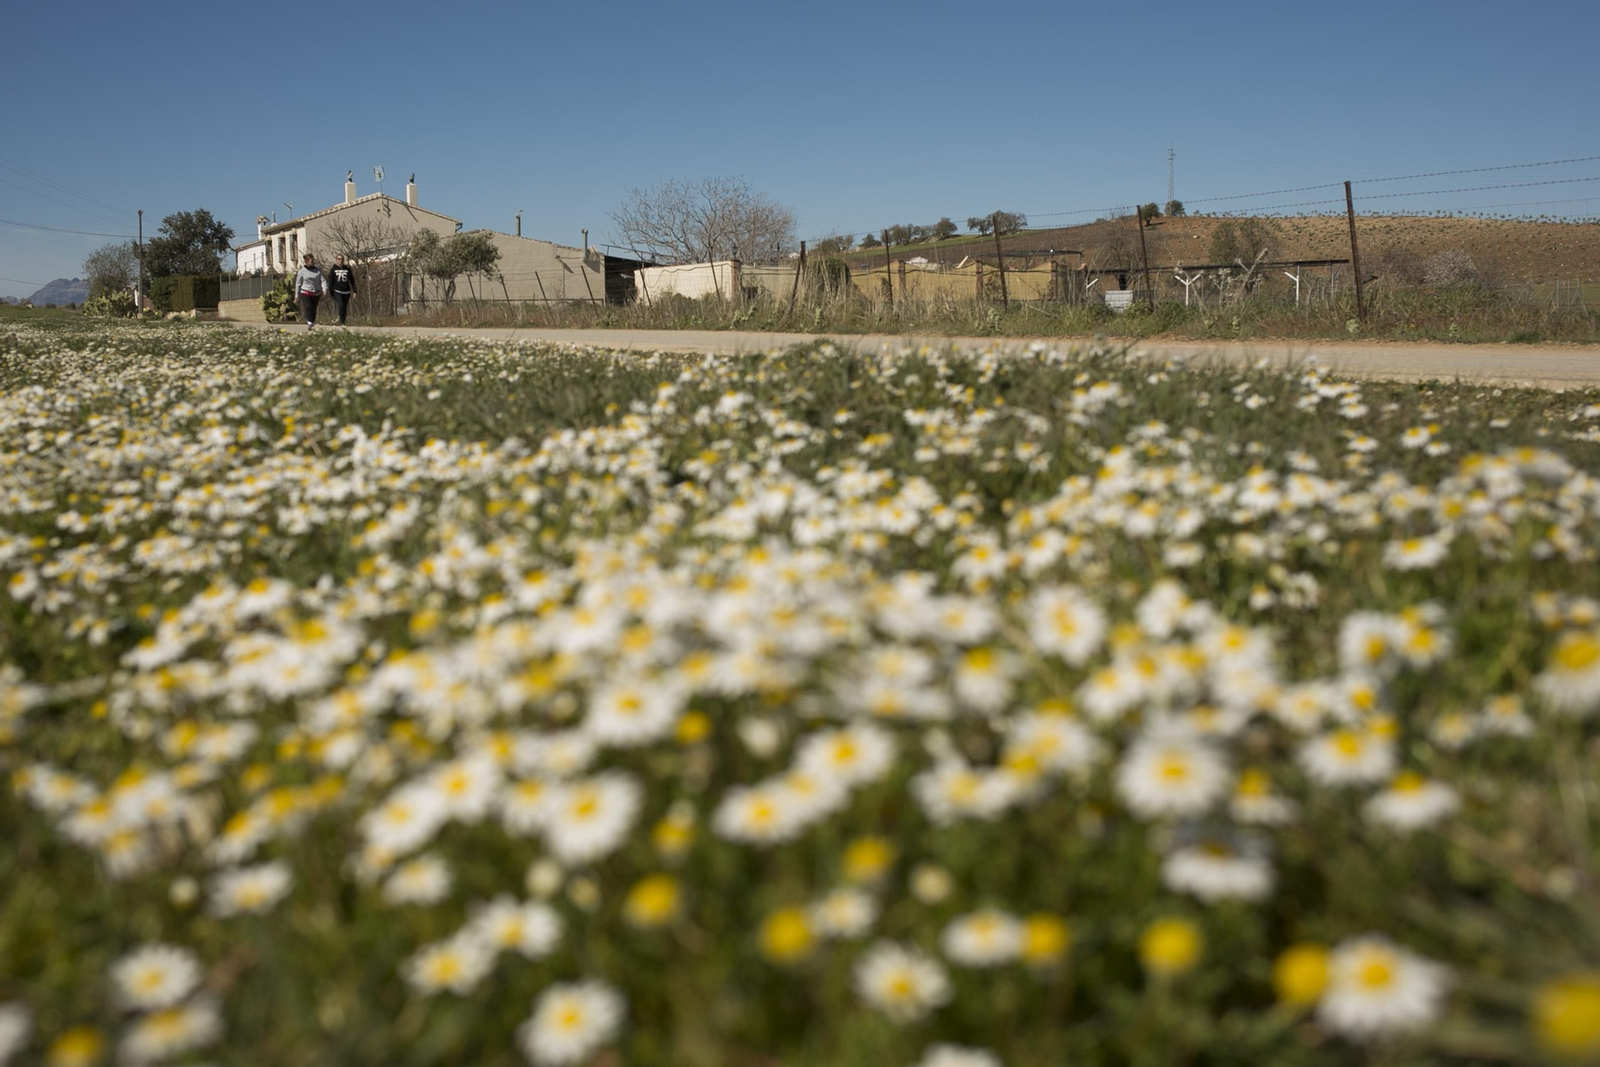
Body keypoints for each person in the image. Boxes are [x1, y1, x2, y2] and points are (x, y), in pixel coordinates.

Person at [293, 253, 327, 330]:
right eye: (310, 260)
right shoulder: (302, 271)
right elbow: (298, 283)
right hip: (305, 292)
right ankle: (310, 323)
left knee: (314, 308)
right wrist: (297, 295)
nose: (312, 262)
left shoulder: (318, 270)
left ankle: (312, 321)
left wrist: (324, 289)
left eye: (313, 260)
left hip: (316, 292)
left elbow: (323, 280)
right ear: (306, 261)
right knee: (308, 307)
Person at [328, 254, 358, 326]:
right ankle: (341, 322)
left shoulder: (347, 270)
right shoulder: (333, 270)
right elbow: (330, 282)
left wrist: (354, 291)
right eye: (339, 259)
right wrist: (332, 293)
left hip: (346, 291)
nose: (340, 260)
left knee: (344, 307)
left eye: (342, 259)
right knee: (341, 306)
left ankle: (343, 322)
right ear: (336, 260)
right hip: (337, 291)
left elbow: (352, 281)